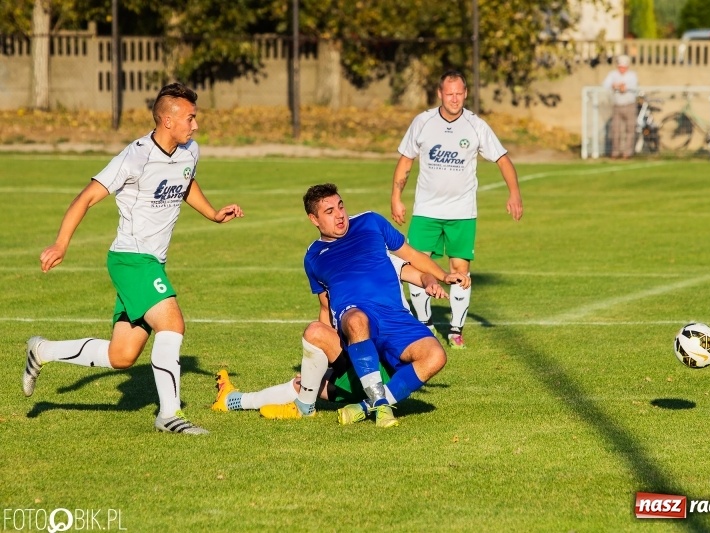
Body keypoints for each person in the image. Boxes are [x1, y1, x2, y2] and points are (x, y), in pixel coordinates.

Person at [22, 82, 244, 435]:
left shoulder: (190, 150)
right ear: (168, 120)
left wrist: (214, 214)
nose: (196, 125)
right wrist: (61, 244)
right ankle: (169, 415)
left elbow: (185, 181)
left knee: (121, 356)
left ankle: (43, 351)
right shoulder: (135, 156)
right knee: (172, 324)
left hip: (151, 261)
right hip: (131, 259)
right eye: (191, 118)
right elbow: (85, 198)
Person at [301, 183, 468, 428]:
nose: (339, 215)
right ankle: (380, 405)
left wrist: (443, 276)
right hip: (354, 317)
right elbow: (326, 308)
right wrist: (328, 362)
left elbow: (411, 255)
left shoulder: (371, 222)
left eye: (340, 206)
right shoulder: (313, 256)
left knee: (435, 356)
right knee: (356, 320)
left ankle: (369, 405)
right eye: (329, 212)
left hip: (394, 316)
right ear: (313, 219)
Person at [211, 255, 450, 418]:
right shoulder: (331, 275)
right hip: (355, 354)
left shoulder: (380, 257)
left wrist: (432, 283)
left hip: (389, 354)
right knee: (309, 365)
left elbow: (421, 275)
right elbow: (326, 321)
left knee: (307, 383)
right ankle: (234, 400)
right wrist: (318, 370)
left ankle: (368, 405)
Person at [391, 70, 523, 350]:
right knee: (416, 265)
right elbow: (405, 161)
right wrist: (396, 197)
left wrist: (514, 193)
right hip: (426, 211)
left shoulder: (475, 125)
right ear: (439, 93)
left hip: (462, 213)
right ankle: (425, 324)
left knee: (460, 270)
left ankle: (455, 330)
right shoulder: (423, 122)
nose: (454, 98)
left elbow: (502, 159)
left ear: (466, 93)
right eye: (449, 93)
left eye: (459, 93)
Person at [602, 54, 638, 159]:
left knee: (630, 129)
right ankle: (615, 152)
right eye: (620, 66)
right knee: (615, 130)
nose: (621, 69)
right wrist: (615, 85)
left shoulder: (632, 75)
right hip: (617, 105)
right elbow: (605, 84)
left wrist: (623, 87)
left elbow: (631, 86)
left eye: (623, 67)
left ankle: (627, 152)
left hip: (629, 105)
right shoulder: (613, 74)